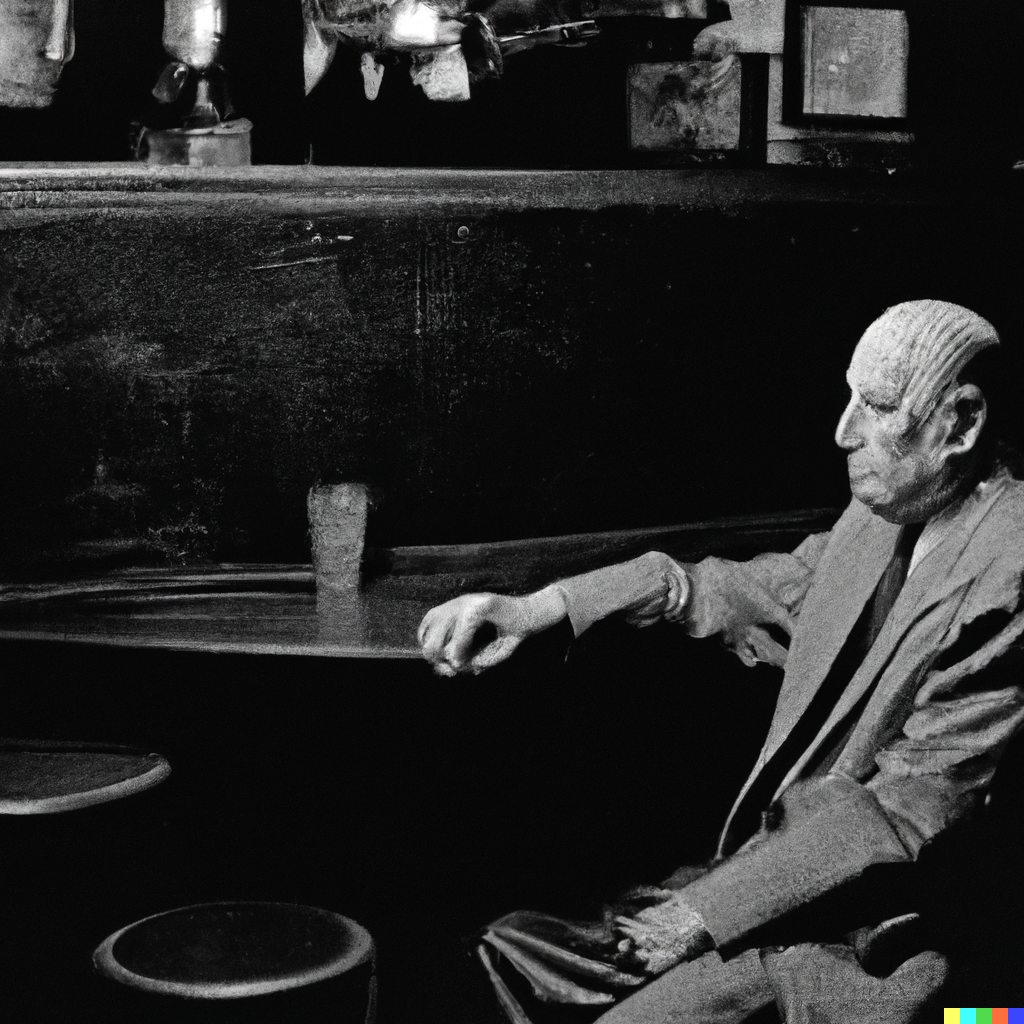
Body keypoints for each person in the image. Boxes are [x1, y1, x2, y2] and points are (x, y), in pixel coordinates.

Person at [417, 299, 1024, 1023]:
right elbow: (753, 589)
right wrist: (541, 607)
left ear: (961, 421)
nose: (843, 432)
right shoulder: (882, 514)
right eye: (850, 397)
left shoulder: (1011, 567)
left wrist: (697, 918)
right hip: (767, 885)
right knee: (503, 948)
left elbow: (912, 807)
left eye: (879, 407)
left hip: (873, 942)